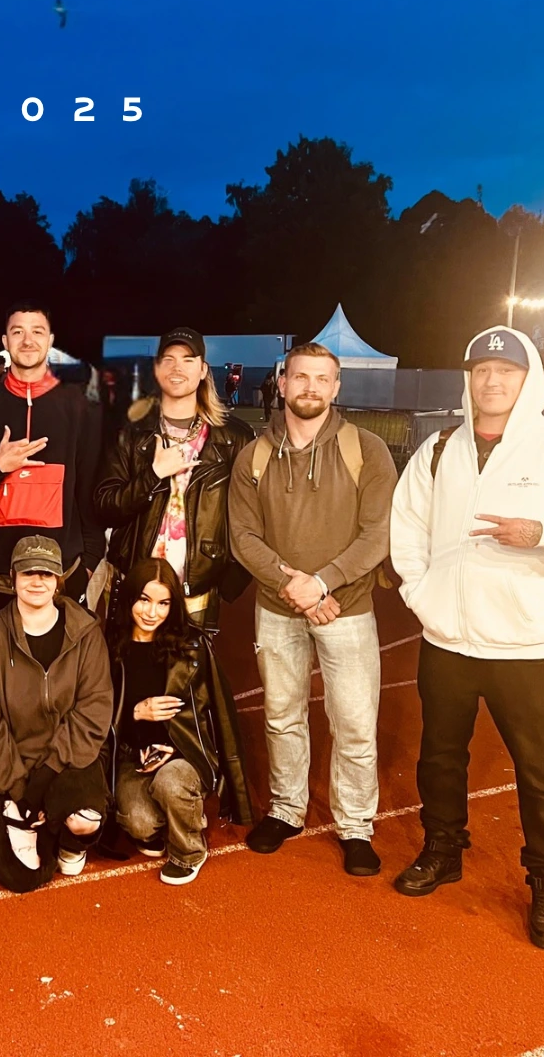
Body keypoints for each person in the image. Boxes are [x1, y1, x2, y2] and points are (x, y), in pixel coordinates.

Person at [389, 325, 544, 951]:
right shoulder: (440, 448)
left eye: (506, 370)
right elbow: (407, 526)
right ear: (468, 379)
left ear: (530, 380)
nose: (492, 381)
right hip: (448, 640)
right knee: (440, 758)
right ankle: (443, 850)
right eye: (481, 370)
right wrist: (421, 595)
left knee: (542, 774)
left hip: (527, 647)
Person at [229, 341, 398, 877]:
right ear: (282, 383)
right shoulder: (254, 455)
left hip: (347, 608)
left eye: (322, 379)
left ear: (336, 387)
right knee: (282, 716)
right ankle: (286, 809)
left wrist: (322, 584)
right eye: (300, 377)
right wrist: (293, 586)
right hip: (278, 608)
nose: (310, 387)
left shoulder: (367, 449)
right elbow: (243, 536)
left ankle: (355, 825)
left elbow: (378, 534)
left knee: (354, 722)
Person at [0, 536, 113, 891]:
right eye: (28, 572)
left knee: (85, 820)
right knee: (23, 878)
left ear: (58, 580)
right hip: (9, 766)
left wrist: (44, 780)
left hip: (67, 761)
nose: (37, 581)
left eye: (46, 574)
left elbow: (93, 710)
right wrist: (19, 790)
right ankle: (39, 824)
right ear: (12, 577)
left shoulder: (86, 633)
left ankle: (69, 841)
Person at [0, 302, 105, 620]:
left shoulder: (81, 409)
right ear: (5, 341)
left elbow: (90, 491)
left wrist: (89, 561)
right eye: (18, 332)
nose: (28, 340)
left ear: (50, 340)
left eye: (37, 332)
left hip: (61, 574)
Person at [95, 327, 254, 633]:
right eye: (168, 359)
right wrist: (153, 475)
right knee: (129, 664)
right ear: (157, 369)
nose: (177, 368)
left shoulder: (234, 437)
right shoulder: (129, 432)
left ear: (203, 369)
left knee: (190, 665)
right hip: (135, 585)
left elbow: (250, 514)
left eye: (187, 359)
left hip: (196, 590)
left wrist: (226, 579)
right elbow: (105, 507)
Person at [107, 559, 242, 885]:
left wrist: (176, 751)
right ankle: (174, 815)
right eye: (144, 600)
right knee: (138, 822)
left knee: (170, 783)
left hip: (184, 755)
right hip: (133, 757)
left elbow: (216, 714)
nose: (152, 613)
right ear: (129, 598)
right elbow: (97, 711)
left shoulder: (191, 646)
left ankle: (189, 852)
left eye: (163, 603)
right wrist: (135, 713)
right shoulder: (111, 645)